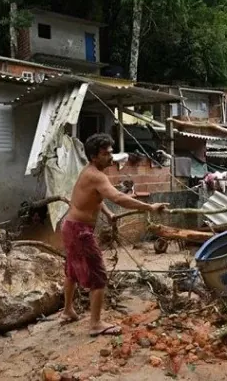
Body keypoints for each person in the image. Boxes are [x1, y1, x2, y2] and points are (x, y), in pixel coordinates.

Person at [61, 133, 169, 337]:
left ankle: (67, 311)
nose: (110, 157)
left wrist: (108, 213)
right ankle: (95, 324)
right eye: (105, 153)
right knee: (99, 276)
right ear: (94, 156)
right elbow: (118, 197)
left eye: (111, 152)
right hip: (79, 231)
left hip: (70, 227)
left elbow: (95, 197)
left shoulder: (90, 173)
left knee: (72, 272)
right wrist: (149, 207)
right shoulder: (97, 175)